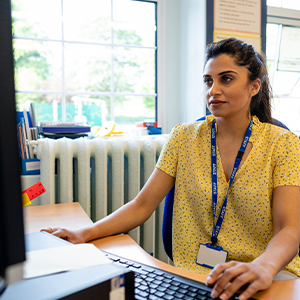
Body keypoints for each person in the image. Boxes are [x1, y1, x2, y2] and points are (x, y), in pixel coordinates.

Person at [42, 38, 300, 300]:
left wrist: (263, 266)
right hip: (197, 275)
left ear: (254, 86)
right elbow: (142, 205)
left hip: (265, 274)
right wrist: (85, 232)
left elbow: (288, 229)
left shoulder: (283, 144)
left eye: (227, 79)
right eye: (208, 81)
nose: (213, 90)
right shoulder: (183, 137)